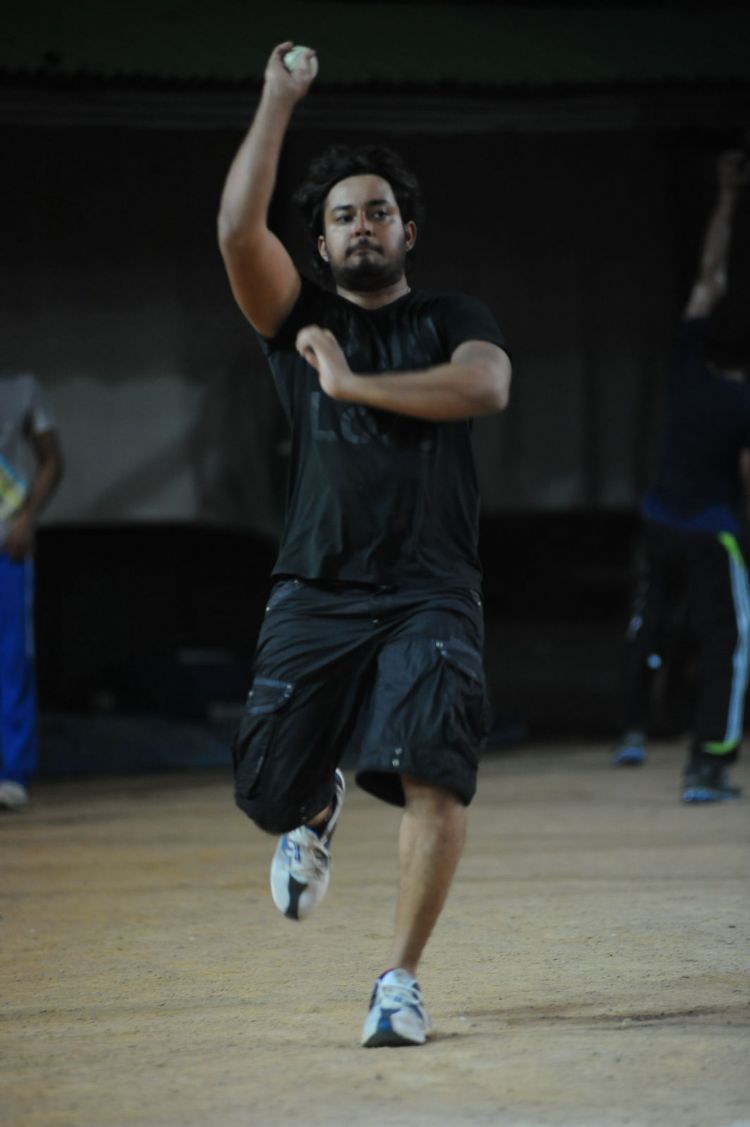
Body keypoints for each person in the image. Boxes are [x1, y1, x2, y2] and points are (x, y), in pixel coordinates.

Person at [217, 42, 511, 1046]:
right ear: (323, 242)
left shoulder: (450, 316)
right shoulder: (294, 317)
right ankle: (313, 805)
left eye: (379, 211)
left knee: (436, 770)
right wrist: (276, 96)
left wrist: (353, 384)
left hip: (433, 586)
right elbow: (236, 230)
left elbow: (486, 385)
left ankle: (398, 979)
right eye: (343, 215)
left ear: (407, 230)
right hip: (317, 585)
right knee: (265, 788)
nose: (362, 225)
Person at [612, 150, 750, 803]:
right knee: (729, 641)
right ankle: (707, 765)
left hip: (659, 520)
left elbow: (709, 276)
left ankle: (632, 731)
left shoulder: (687, 361)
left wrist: (727, 193)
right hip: (710, 533)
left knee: (651, 623)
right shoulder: (743, 402)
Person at [0, 371, 64, 809]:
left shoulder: (19, 389)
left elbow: (52, 459)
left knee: (11, 658)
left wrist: (27, 518)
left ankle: (12, 772)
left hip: (6, 542)